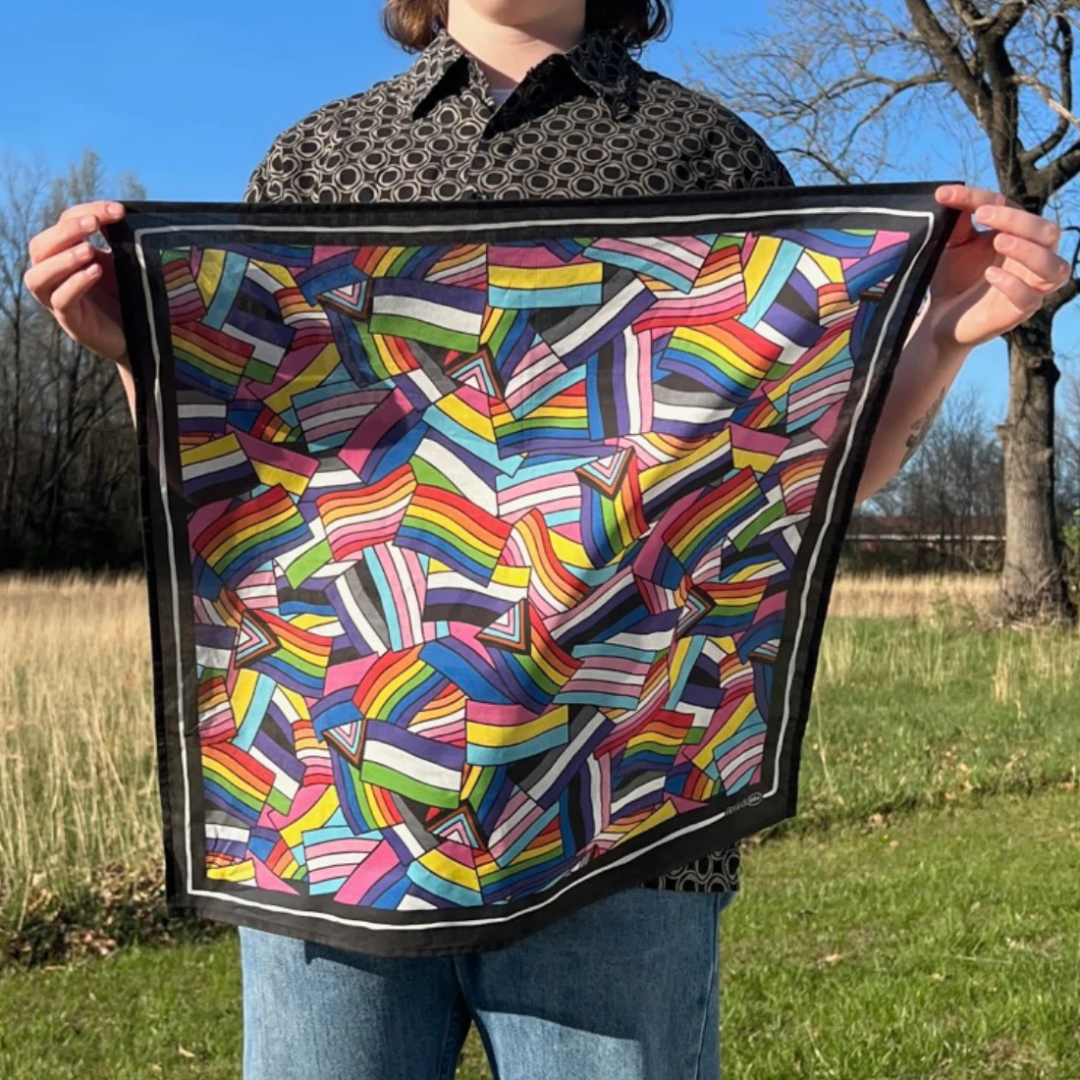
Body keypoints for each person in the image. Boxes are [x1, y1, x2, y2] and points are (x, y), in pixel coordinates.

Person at [24, 1, 1071, 1077]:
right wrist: (135, 352)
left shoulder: (705, 157)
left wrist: (942, 335)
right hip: (336, 812)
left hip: (624, 810)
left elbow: (792, 464)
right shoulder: (323, 158)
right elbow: (244, 472)